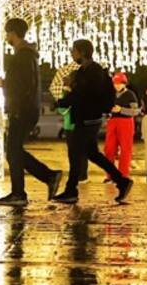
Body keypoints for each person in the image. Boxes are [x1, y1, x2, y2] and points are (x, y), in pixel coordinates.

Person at [53, 39, 133, 204]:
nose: (71, 54)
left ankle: (71, 190)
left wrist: (64, 100)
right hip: (87, 117)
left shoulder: (93, 71)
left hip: (88, 118)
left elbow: (83, 95)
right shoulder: (86, 71)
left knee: (76, 153)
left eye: (73, 50)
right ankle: (121, 181)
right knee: (92, 153)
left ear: (82, 52)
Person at [0, 18, 62, 206]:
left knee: (12, 151)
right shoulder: (27, 55)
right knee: (14, 151)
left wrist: (3, 85)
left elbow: (22, 85)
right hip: (25, 108)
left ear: (13, 33)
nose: (6, 37)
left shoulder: (22, 56)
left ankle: (25, 190)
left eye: (7, 34)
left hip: (21, 110)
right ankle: (42, 180)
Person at [104, 72, 138, 181]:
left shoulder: (130, 95)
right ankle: (110, 174)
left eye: (119, 83)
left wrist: (121, 110)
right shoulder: (110, 94)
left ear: (124, 84)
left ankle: (123, 174)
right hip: (112, 121)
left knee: (125, 149)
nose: (117, 86)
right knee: (109, 149)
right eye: (115, 83)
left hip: (126, 122)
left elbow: (135, 111)